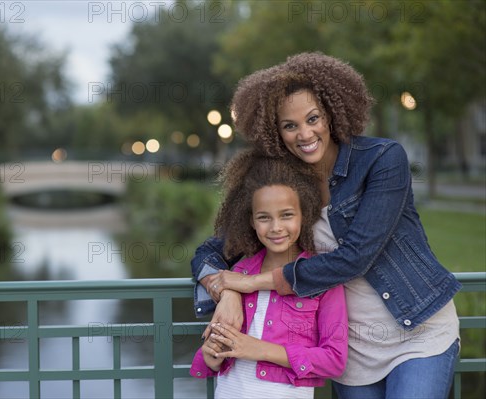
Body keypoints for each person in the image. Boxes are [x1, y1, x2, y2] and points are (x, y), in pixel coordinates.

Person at [191, 52, 461, 399]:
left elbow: (355, 257)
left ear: (331, 114)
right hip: (351, 349)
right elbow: (211, 252)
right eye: (290, 125)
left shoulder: (382, 160)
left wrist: (251, 282)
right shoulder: (283, 183)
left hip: (418, 329)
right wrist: (226, 291)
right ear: (276, 132)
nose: (305, 133)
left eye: (313, 118)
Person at [190, 149, 348, 399]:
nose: (276, 228)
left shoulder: (322, 279)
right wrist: (210, 356)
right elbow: (216, 356)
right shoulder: (236, 276)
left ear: (304, 215)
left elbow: (334, 359)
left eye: (286, 215)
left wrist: (260, 349)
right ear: (251, 221)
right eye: (264, 218)